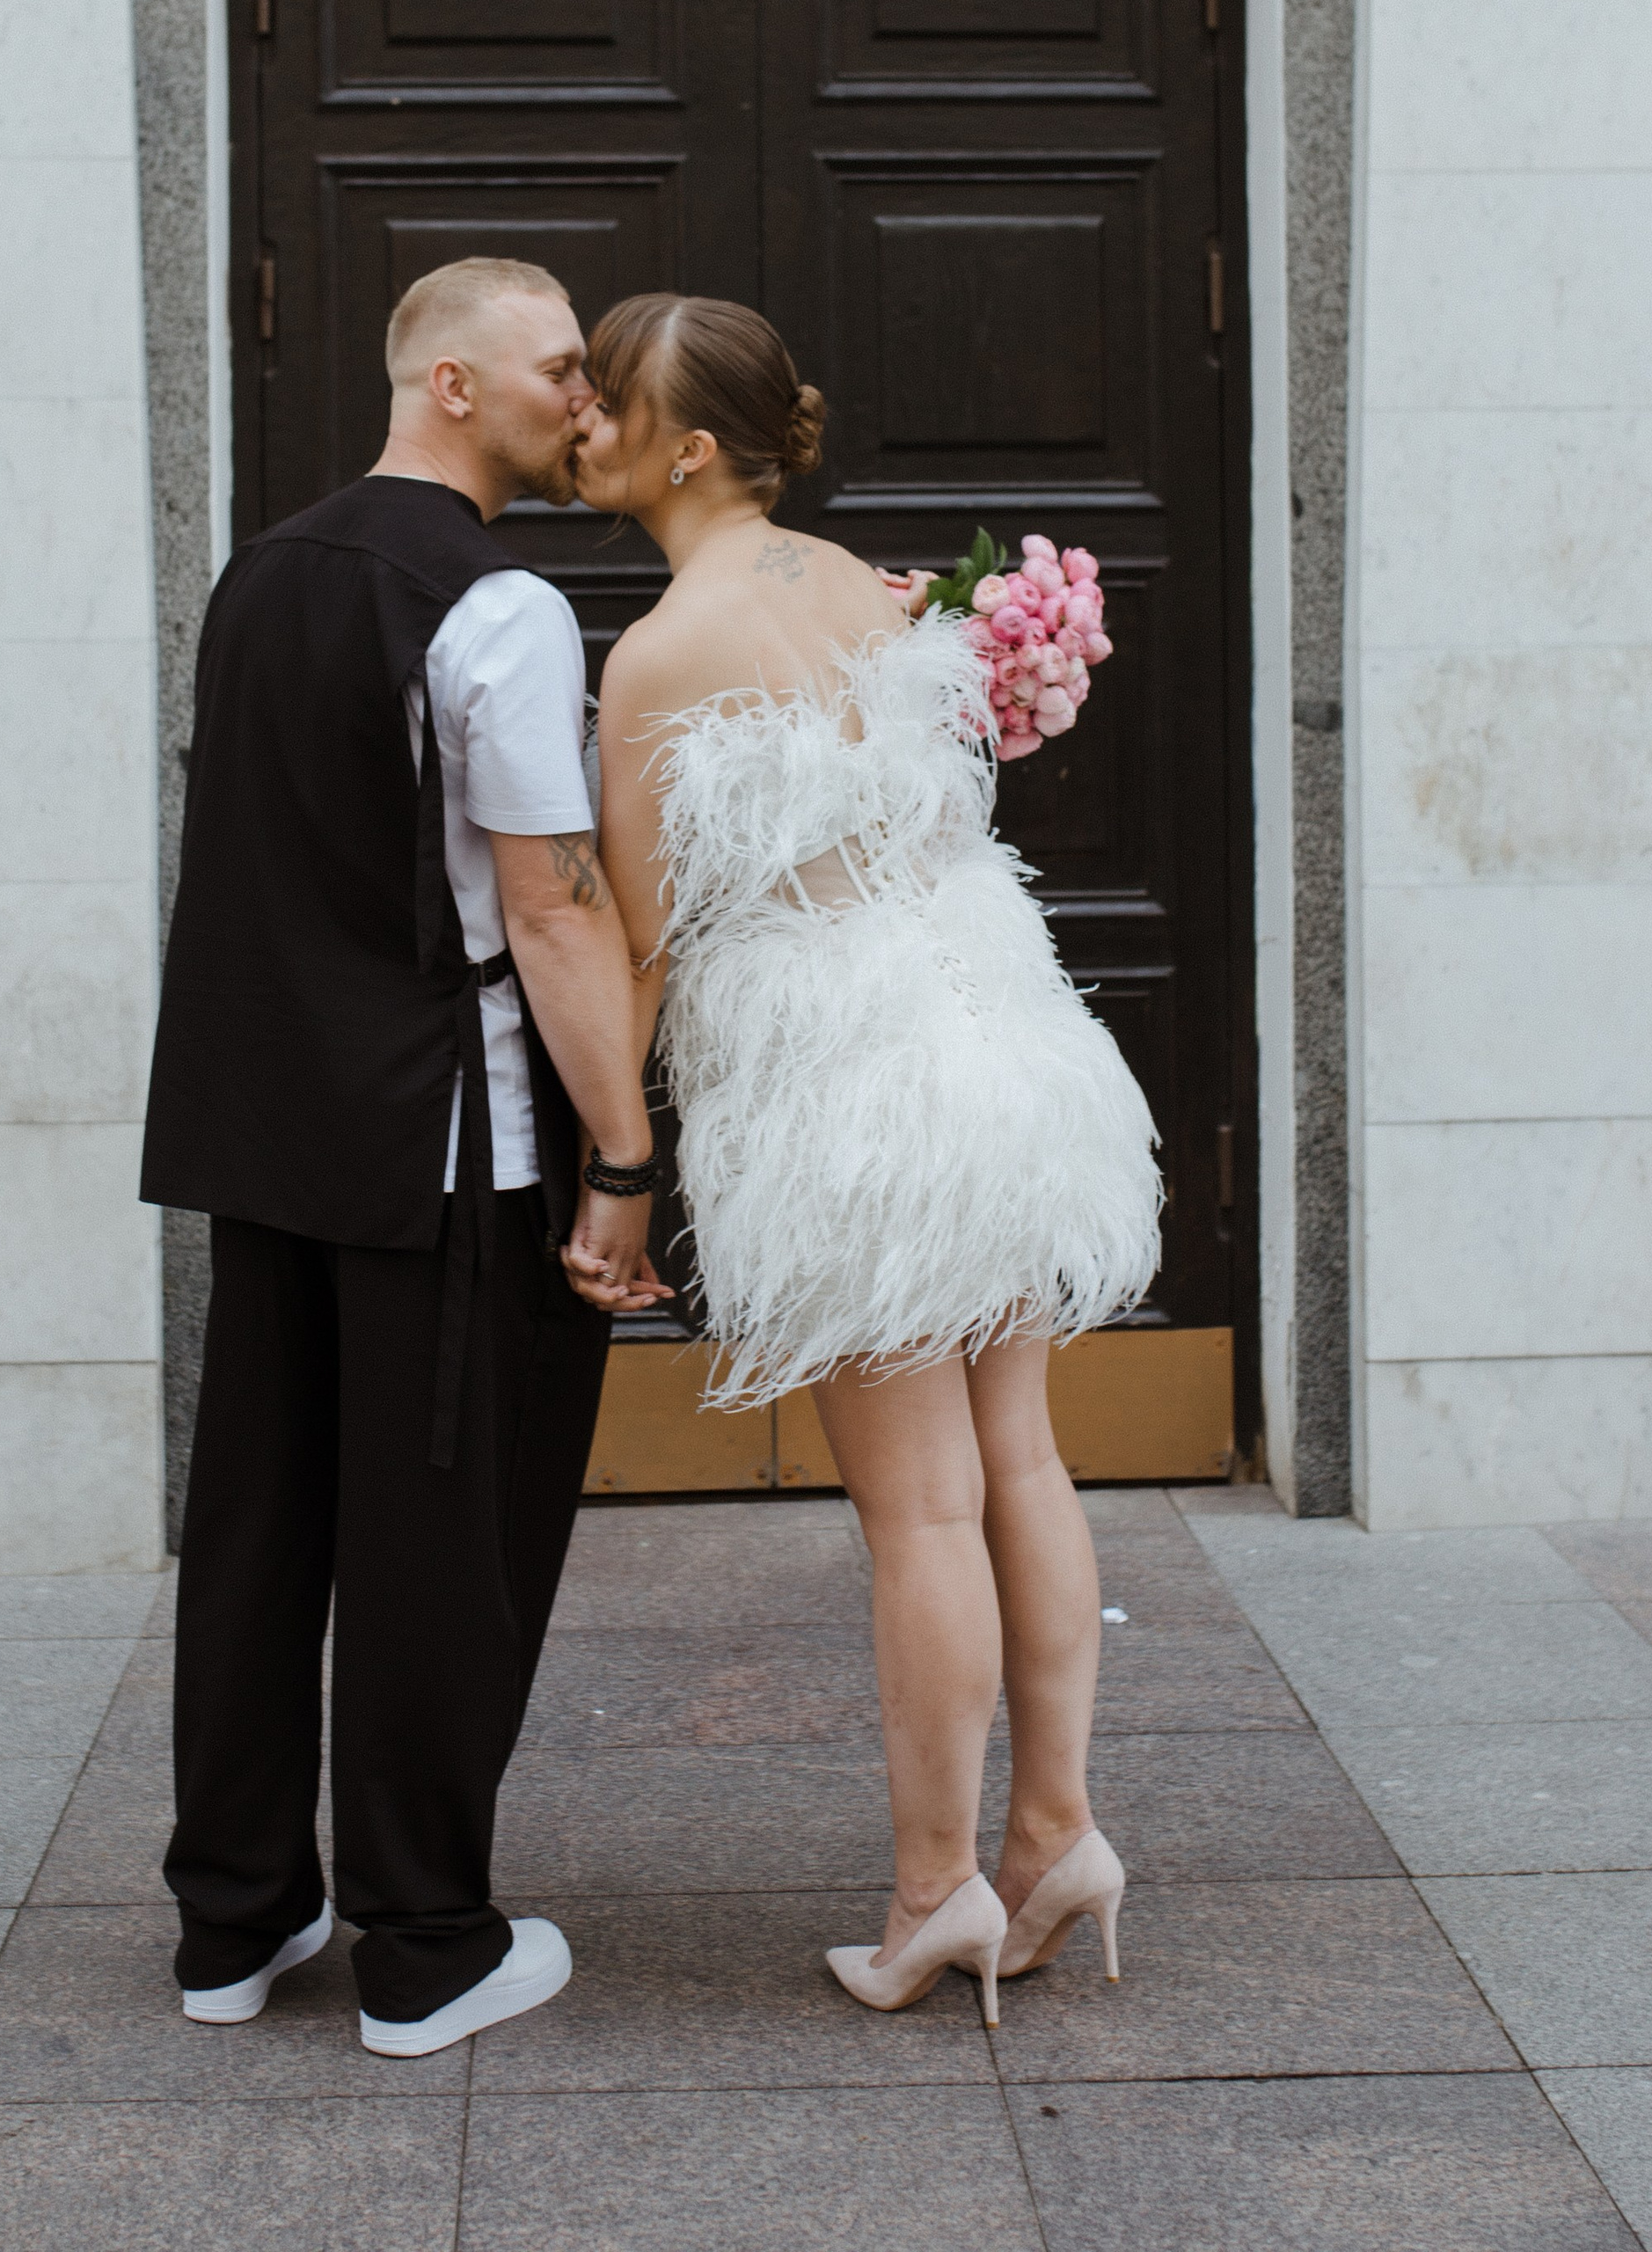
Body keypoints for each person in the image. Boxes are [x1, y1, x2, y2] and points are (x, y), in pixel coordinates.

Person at [568, 292, 1162, 2025]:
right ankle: (1053, 1834)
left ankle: (931, 1892)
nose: (579, 423)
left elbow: (638, 943)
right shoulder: (864, 584)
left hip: (850, 1100)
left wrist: (616, 1162)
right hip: (1002, 1041)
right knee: (1020, 1467)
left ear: (686, 446)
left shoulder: (657, 656)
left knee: (918, 1511)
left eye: (605, 401)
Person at [141, 257, 669, 2061]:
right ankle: (426, 1945)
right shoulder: (499, 606)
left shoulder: (258, 575)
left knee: (259, 1523)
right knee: (444, 1540)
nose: (582, 404)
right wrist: (623, 1157)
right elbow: (554, 904)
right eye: (556, 371)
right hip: (448, 1141)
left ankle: (232, 1920)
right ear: (450, 383)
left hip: (270, 1128)